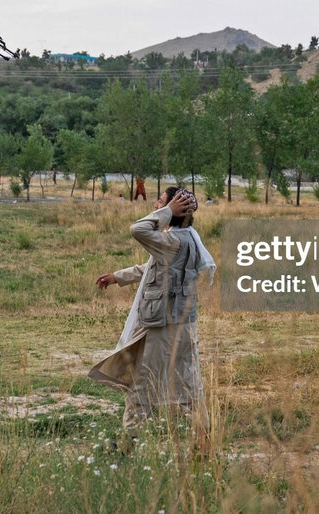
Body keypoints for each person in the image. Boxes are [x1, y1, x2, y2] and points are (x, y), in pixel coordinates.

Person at [90, 187, 216, 453]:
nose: (156, 206)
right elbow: (149, 267)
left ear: (175, 210)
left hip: (162, 328)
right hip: (182, 325)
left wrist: (168, 211)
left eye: (161, 203)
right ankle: (203, 442)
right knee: (189, 385)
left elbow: (138, 229)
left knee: (142, 385)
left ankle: (128, 445)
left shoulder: (173, 241)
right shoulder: (189, 238)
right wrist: (118, 277)